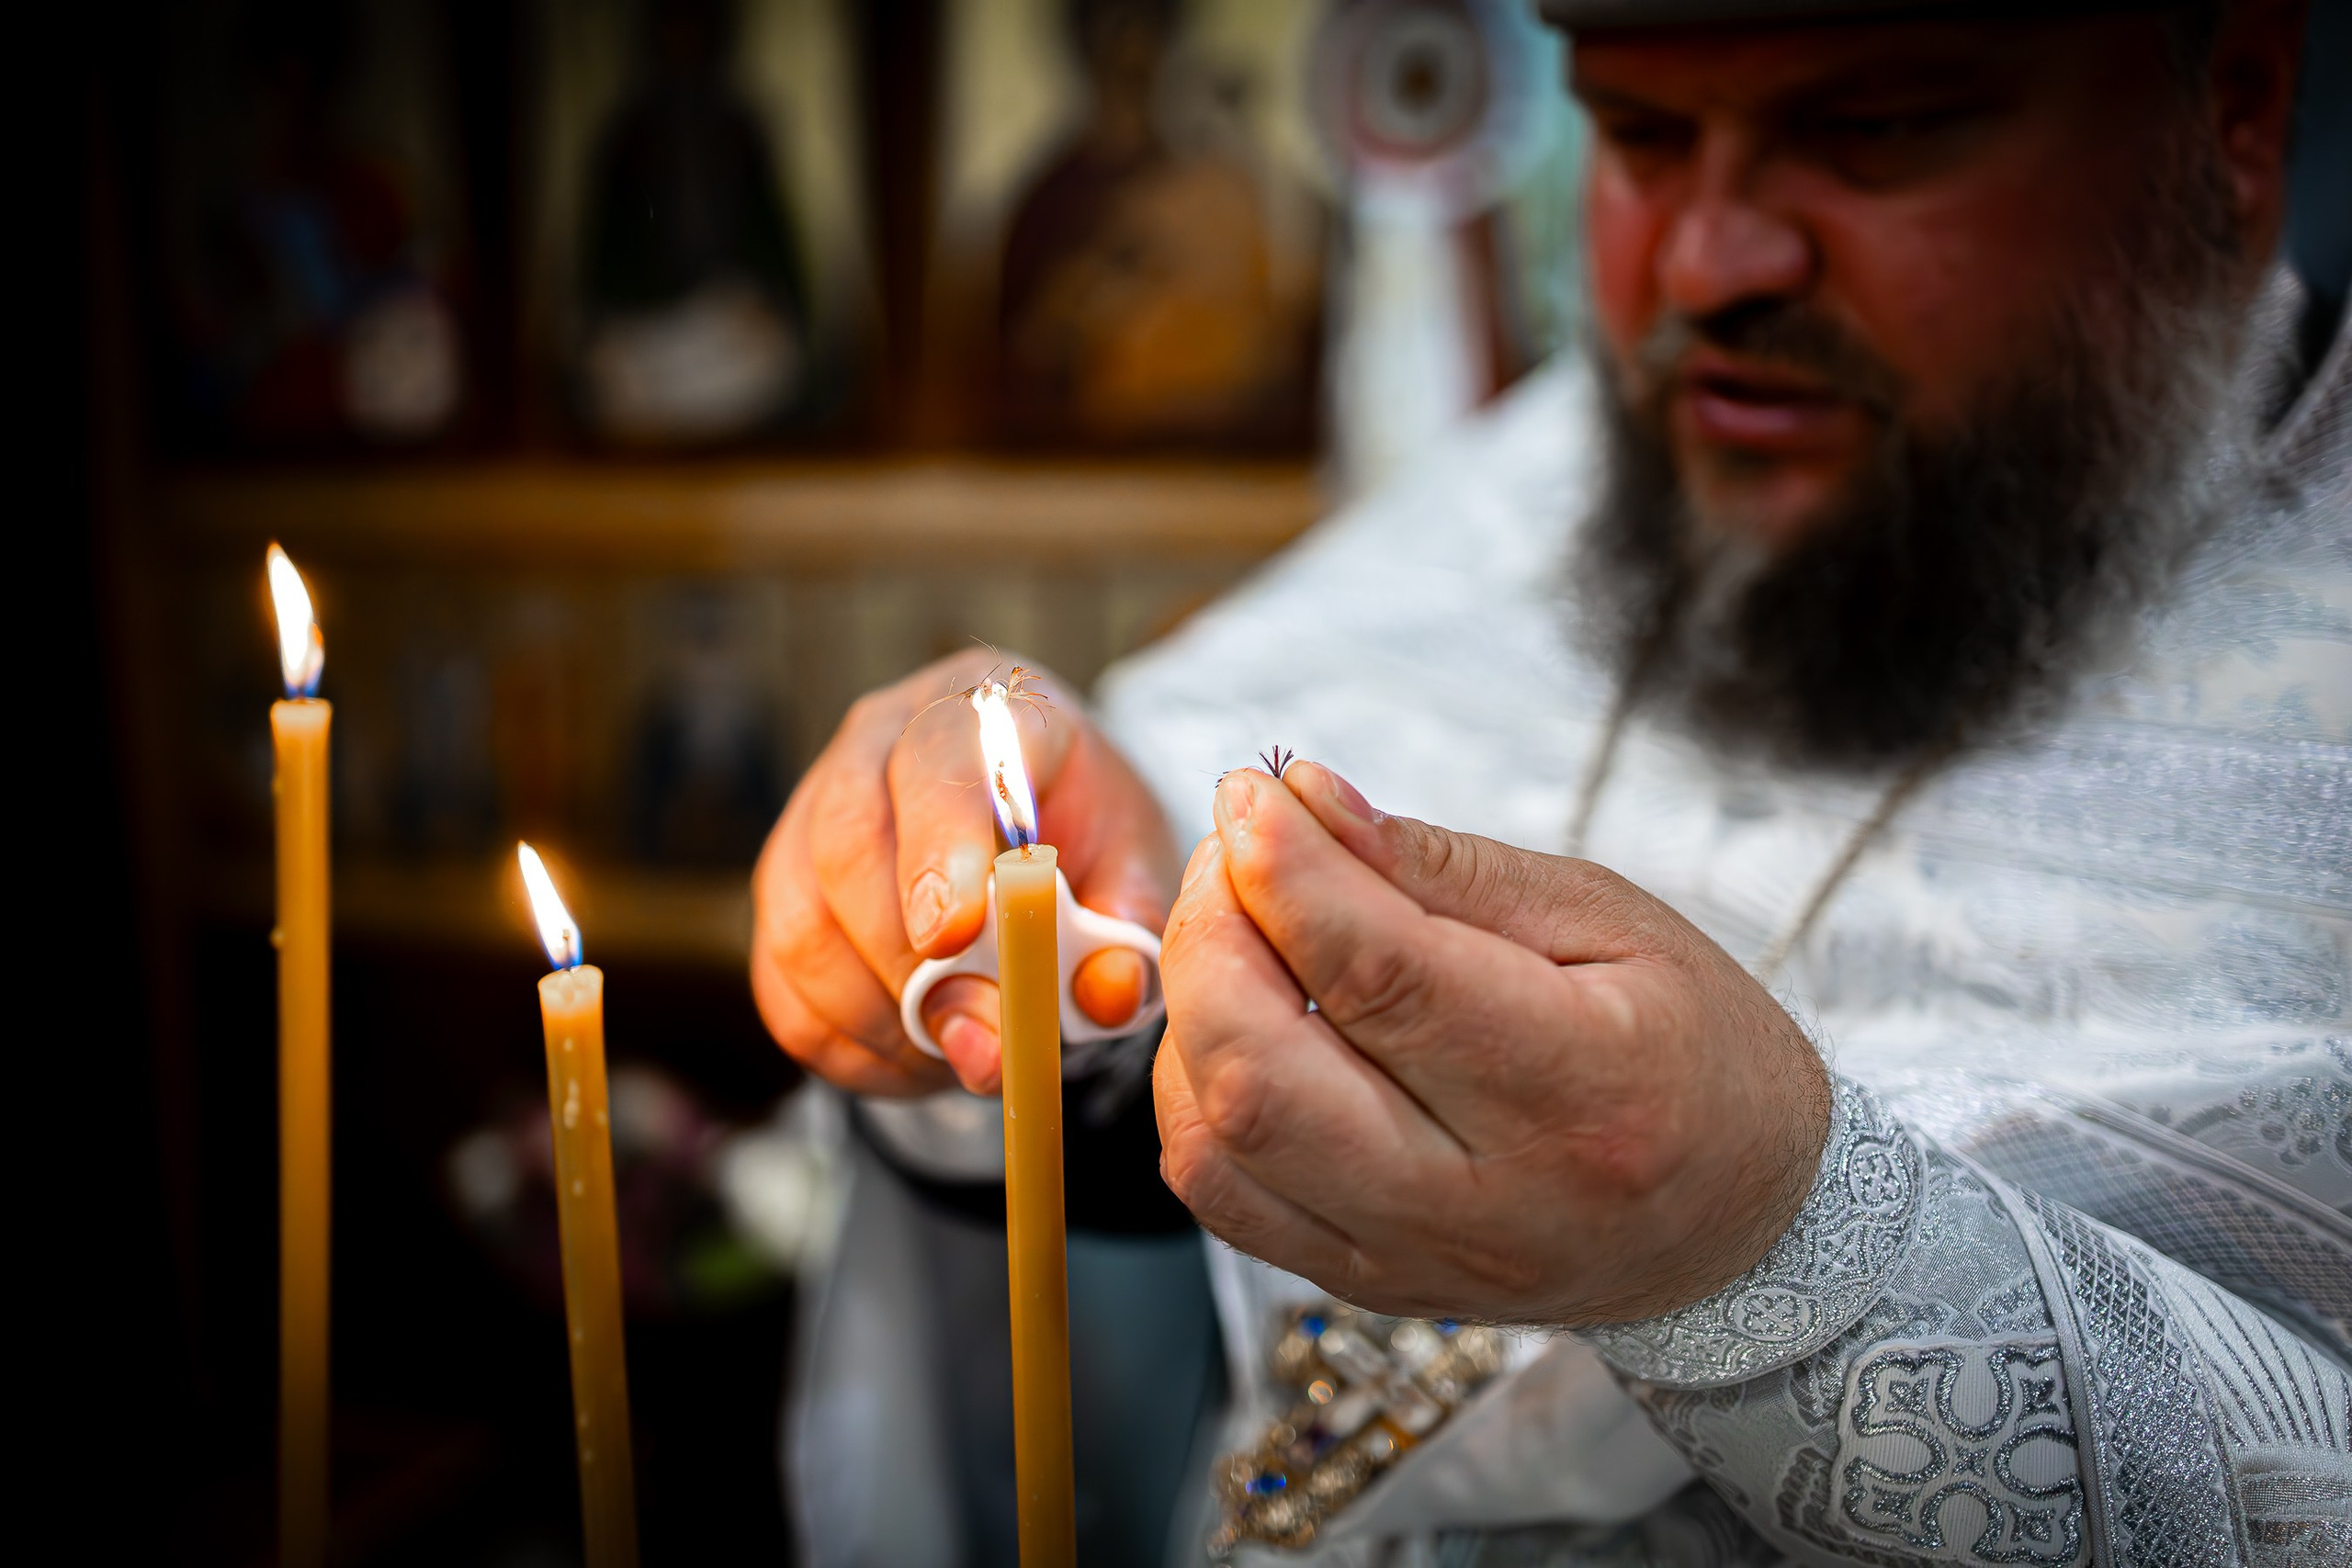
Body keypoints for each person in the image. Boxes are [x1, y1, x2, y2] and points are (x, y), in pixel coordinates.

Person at [755, 0, 2349, 1562]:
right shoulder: (1554, 474)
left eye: (1870, 130)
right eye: (1639, 133)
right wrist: (1038, 936)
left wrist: (1782, 1248)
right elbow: (1148, 867)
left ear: (2236, 106)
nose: (1708, 266)